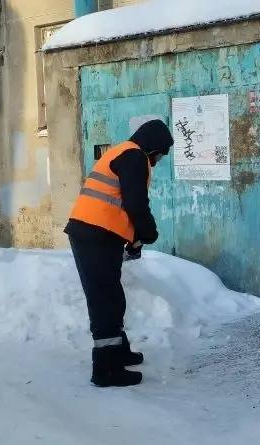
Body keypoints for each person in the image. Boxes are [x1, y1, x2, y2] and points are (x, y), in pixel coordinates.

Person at [64, 119, 173, 387]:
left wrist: (135, 238)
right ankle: (105, 369)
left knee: (111, 295)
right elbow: (136, 204)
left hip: (96, 233)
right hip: (94, 235)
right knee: (104, 299)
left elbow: (121, 204)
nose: (157, 161)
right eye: (159, 155)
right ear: (152, 147)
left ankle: (118, 352)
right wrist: (148, 234)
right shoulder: (134, 157)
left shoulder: (122, 151)